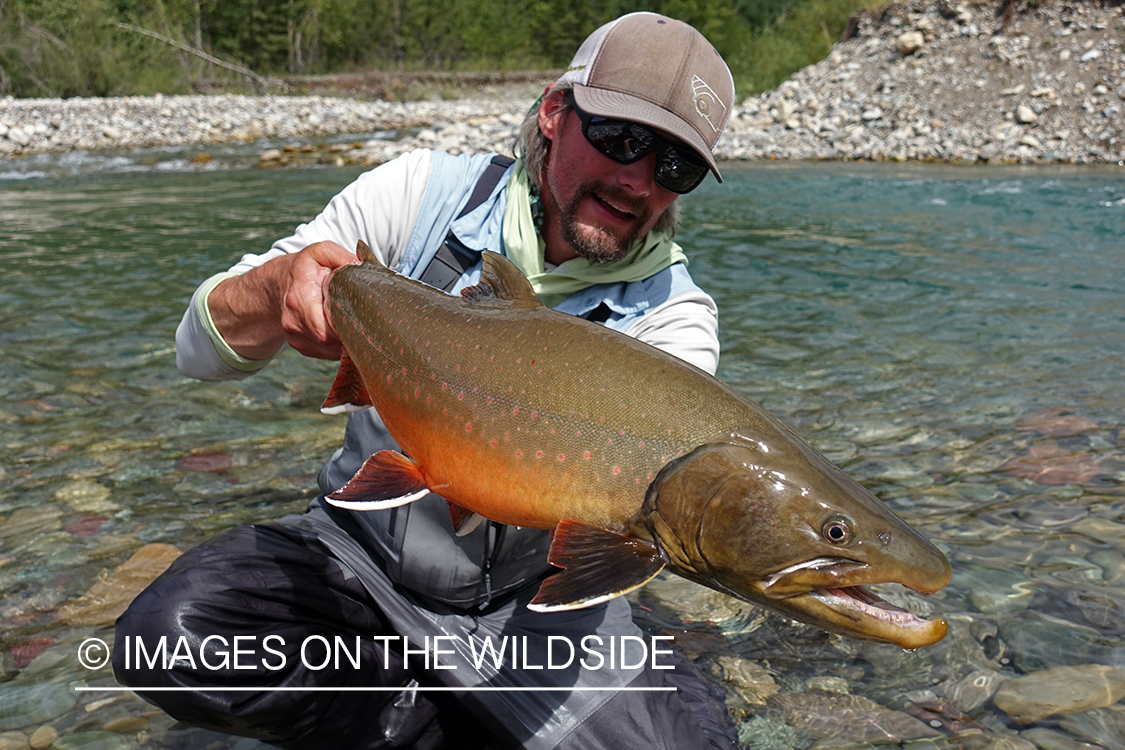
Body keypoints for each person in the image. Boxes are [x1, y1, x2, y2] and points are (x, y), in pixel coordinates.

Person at [115, 12, 739, 750]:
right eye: (620, 137)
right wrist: (278, 288)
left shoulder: (674, 322)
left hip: (533, 613)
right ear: (552, 112)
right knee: (166, 641)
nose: (638, 178)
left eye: (675, 166)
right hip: (360, 558)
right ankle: (444, 727)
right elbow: (196, 349)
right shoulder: (414, 195)